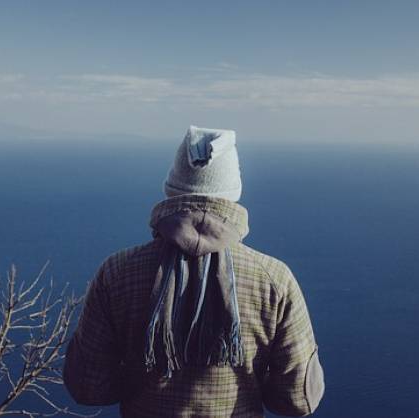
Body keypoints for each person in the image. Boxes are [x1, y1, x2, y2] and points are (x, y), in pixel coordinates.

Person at [63, 126, 324, 417]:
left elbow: (88, 387)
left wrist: (140, 375)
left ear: (171, 189)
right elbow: (298, 400)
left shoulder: (117, 272)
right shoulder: (274, 280)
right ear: (233, 193)